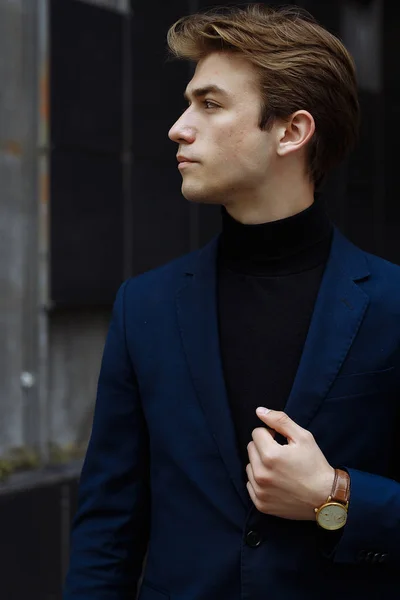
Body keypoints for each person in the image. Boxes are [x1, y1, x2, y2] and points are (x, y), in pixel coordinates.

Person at [63, 4, 400, 599]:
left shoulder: (392, 303)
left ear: (292, 132)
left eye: (210, 104)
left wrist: (335, 496)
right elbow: (106, 533)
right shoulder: (143, 306)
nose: (178, 127)